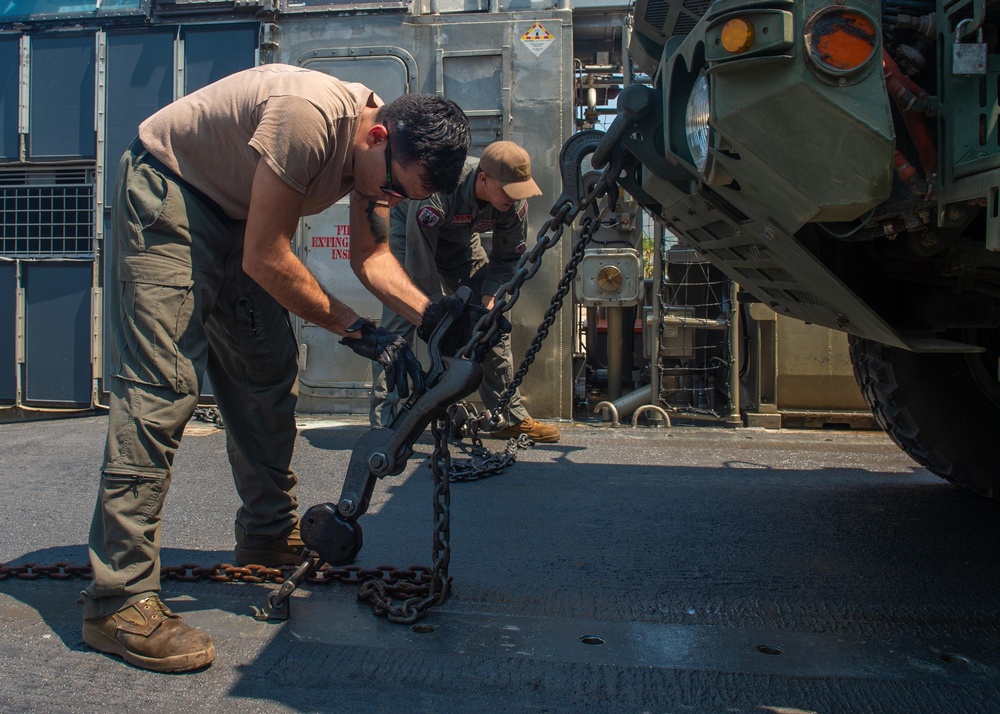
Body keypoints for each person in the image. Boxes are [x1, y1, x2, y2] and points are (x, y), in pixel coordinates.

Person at [81, 64, 475, 673]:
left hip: (237, 216)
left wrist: (433, 318)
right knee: (163, 389)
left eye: (405, 199)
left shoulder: (382, 154)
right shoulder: (307, 117)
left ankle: (267, 533)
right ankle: (119, 598)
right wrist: (356, 328)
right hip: (170, 196)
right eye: (394, 191)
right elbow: (268, 257)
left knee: (267, 371)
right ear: (379, 138)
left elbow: (372, 258)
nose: (390, 201)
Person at [370, 141, 560, 443]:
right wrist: (433, 313)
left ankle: (505, 415)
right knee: (398, 327)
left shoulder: (513, 204)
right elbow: (419, 265)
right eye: (509, 190)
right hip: (411, 237)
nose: (515, 198)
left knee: (489, 326)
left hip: (459, 242)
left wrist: (489, 299)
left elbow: (507, 258)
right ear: (483, 179)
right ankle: (386, 425)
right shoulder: (439, 192)